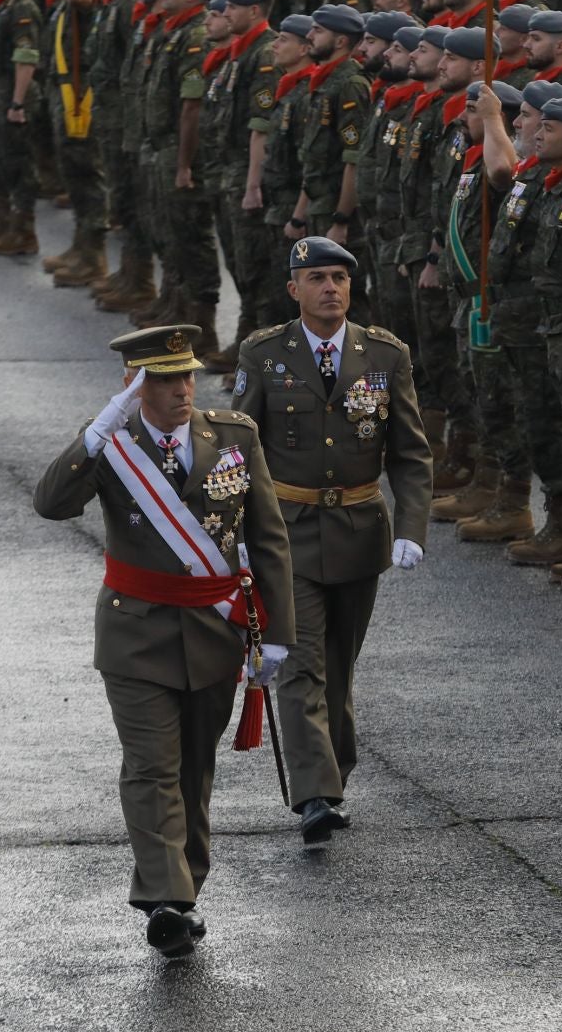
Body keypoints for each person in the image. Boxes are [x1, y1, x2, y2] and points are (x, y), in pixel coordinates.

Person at [31, 324, 296, 958]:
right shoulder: (109, 444)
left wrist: (277, 635)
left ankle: (184, 886)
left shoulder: (233, 435)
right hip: (135, 633)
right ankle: (169, 899)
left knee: (194, 770)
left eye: (188, 374)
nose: (183, 388)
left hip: (215, 630)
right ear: (134, 384)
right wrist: (97, 431)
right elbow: (51, 503)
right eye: (165, 378)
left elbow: (268, 536)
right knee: (151, 766)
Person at [230, 237, 433, 845]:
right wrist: (239, 533)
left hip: (359, 533)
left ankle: (331, 771)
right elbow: (240, 446)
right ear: (294, 289)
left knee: (339, 669)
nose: (331, 289)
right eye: (317, 278)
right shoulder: (265, 354)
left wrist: (413, 527)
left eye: (340, 278)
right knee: (298, 663)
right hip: (287, 534)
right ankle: (318, 793)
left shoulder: (384, 355)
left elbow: (410, 452)